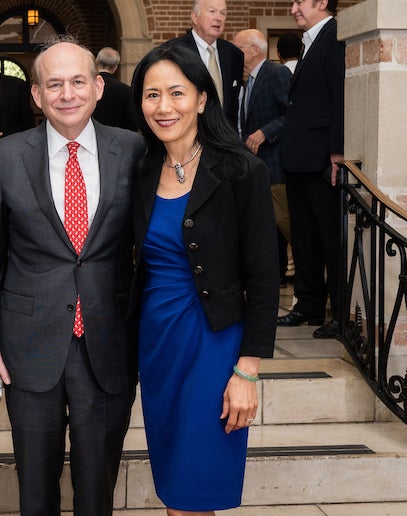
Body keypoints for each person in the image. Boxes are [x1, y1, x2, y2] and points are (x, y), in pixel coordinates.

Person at [0, 36, 143, 515]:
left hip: (108, 341)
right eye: (54, 84)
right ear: (36, 95)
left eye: (77, 82)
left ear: (97, 87)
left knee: (97, 489)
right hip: (27, 344)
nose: (67, 94)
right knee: (35, 487)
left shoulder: (133, 150)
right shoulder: (2, 158)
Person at [129, 43, 278, 514]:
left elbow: (265, 277)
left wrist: (246, 371)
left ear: (202, 99)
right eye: (152, 95)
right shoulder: (139, 171)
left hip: (215, 349)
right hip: (158, 347)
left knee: (195, 490)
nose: (164, 106)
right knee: (175, 491)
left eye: (176, 92)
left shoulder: (241, 170)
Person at [277, 0, 344, 339]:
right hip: (298, 159)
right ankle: (308, 305)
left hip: (321, 160)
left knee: (330, 238)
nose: (292, 9)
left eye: (299, 2)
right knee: (303, 239)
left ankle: (342, 314)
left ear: (321, 2)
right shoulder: (310, 41)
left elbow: (340, 97)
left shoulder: (335, 36)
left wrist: (336, 153)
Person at [233, 29, 292, 287]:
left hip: (276, 166)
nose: (234, 54)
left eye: (238, 48)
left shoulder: (276, 73)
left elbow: (291, 114)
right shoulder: (246, 82)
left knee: (285, 223)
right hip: (255, 168)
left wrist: (263, 133)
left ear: (254, 50)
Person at [167, 0, 243, 128]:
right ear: (195, 17)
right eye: (212, 11)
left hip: (223, 138)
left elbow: (232, 107)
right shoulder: (172, 51)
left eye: (223, 13)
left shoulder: (234, 54)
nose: (218, 18)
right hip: (185, 133)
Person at [92, 46, 139, 131]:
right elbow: (133, 123)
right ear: (115, 68)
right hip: (120, 140)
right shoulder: (127, 91)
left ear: (96, 62)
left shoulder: (89, 88)